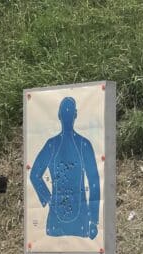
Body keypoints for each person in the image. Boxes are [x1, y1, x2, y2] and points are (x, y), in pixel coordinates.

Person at [29, 96, 101, 239]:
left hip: (68, 218)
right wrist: (94, 220)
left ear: (59, 115)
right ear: (75, 115)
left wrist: (49, 199)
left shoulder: (54, 144)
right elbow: (94, 182)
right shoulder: (83, 144)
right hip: (76, 220)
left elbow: (35, 175)